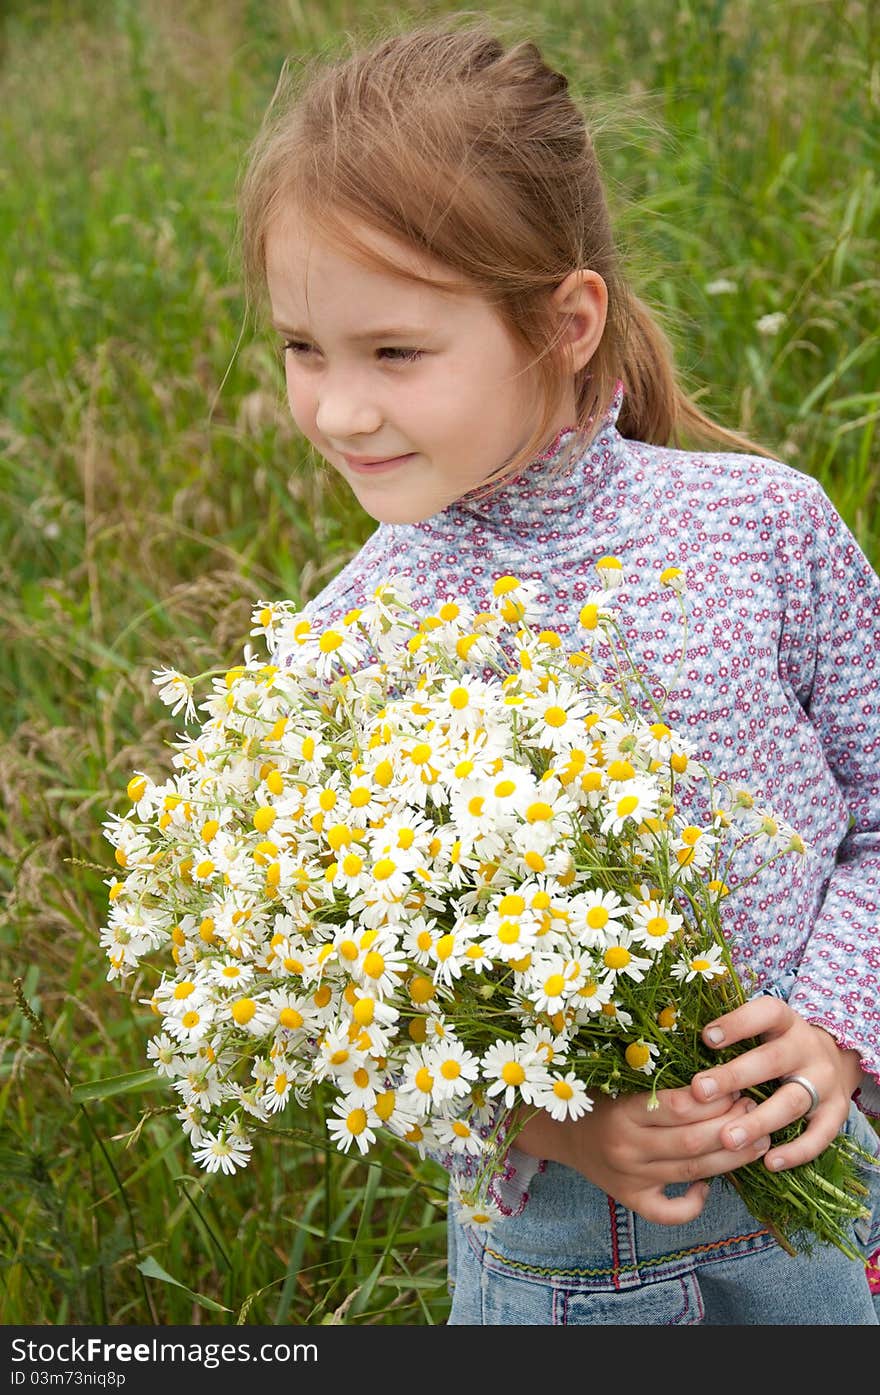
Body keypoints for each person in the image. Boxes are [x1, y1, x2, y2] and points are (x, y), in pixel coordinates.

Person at [235, 16, 880, 1324]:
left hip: (824, 1190)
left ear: (566, 321)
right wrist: (542, 1122)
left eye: (394, 353)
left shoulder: (761, 528)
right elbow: (353, 990)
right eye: (306, 349)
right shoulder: (349, 646)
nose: (338, 410)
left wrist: (838, 1026)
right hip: (560, 1267)